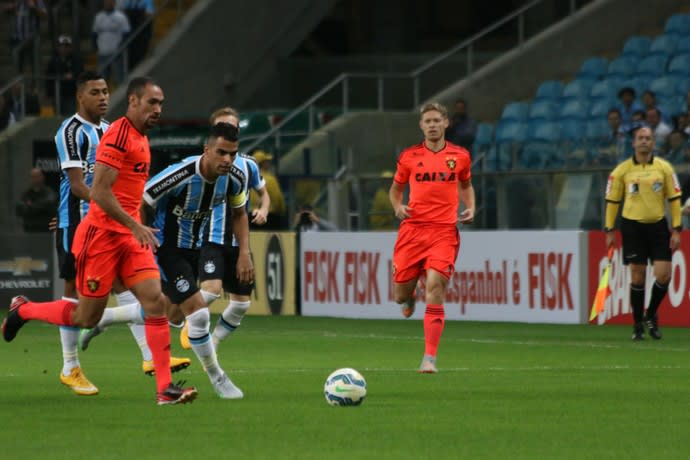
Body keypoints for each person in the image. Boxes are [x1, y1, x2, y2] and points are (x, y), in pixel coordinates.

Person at [2, 76, 198, 405]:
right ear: (133, 102)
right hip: (101, 237)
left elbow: (131, 192)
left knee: (156, 302)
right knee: (85, 317)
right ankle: (25, 310)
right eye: (152, 102)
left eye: (161, 103)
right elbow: (101, 194)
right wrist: (133, 225)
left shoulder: (139, 136)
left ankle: (165, 389)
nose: (158, 110)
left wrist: (138, 226)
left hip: (129, 237)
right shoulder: (118, 137)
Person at [81, 122, 253, 399]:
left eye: (232, 154)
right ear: (206, 149)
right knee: (197, 312)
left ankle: (104, 318)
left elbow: (240, 213)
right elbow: (142, 202)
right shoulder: (181, 174)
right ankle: (218, 378)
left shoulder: (234, 177)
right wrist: (141, 240)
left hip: (196, 249)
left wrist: (244, 252)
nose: (227, 160)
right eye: (221, 152)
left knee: (170, 313)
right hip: (166, 249)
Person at [53, 71, 189, 395]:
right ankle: (70, 364)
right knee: (77, 297)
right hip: (79, 219)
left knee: (144, 292)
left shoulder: (112, 129)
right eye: (95, 92)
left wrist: (129, 216)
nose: (102, 97)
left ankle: (152, 363)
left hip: (114, 222)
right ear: (80, 97)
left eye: (105, 91)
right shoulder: (70, 131)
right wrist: (123, 215)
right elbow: (79, 185)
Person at [389, 102, 474, 373]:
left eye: (437, 120)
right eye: (428, 121)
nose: (433, 125)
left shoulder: (460, 156)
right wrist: (397, 206)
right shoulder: (408, 157)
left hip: (444, 231)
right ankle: (409, 297)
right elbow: (395, 189)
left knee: (436, 286)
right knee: (400, 295)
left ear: (446, 123)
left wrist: (470, 205)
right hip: (412, 231)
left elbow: (466, 184)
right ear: (421, 126)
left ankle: (429, 358)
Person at [191, 107, 269, 351]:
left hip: (239, 243)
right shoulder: (203, 165)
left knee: (241, 305)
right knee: (212, 290)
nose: (229, 130)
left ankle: (211, 345)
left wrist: (263, 210)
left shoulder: (249, 165)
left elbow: (263, 194)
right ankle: (187, 320)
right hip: (211, 238)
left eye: (233, 127)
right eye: (223, 126)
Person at [604, 126, 682, 341]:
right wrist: (609, 229)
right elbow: (612, 201)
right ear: (633, 143)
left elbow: (674, 199)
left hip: (658, 226)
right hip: (632, 227)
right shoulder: (622, 170)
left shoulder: (664, 168)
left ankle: (650, 315)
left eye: (648, 138)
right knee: (637, 277)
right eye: (641, 138)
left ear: (654, 143)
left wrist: (676, 228)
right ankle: (637, 324)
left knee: (664, 274)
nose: (644, 141)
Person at [92, 0, 130, 85]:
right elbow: (94, 34)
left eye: (110, 1)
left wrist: (120, 48)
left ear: (114, 3)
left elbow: (126, 33)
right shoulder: (99, 17)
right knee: (102, 81)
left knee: (119, 80)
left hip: (116, 53)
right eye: (106, 1)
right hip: (102, 53)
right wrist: (96, 48)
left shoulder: (120, 16)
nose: (108, 3)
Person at [3, 0, 46, 74]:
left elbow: (44, 15)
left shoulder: (37, 1)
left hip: (31, 39)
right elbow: (4, 10)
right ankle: (18, 83)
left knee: (34, 64)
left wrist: (33, 7)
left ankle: (34, 83)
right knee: (17, 64)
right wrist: (8, 8)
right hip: (17, 38)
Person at [45, 34, 84, 116]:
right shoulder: (53, 61)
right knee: (57, 116)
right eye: (62, 46)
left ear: (70, 47)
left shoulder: (75, 59)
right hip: (56, 93)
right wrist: (49, 94)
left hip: (70, 93)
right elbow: (48, 78)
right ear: (58, 47)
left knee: (69, 116)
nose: (64, 48)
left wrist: (73, 75)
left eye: (66, 46)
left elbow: (80, 72)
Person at [250, 150, 286, 229]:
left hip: (251, 215)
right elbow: (278, 199)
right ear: (262, 163)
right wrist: (282, 211)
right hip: (269, 216)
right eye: (266, 161)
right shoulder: (270, 179)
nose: (269, 163)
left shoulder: (248, 178)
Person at [15, 167, 56, 232]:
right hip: (29, 229)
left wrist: (30, 206)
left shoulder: (49, 192)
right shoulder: (26, 194)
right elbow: (20, 209)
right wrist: (39, 206)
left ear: (42, 177)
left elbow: (48, 204)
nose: (35, 179)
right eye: (33, 176)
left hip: (46, 229)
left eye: (37, 176)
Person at [117, 0, 154, 69]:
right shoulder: (127, 2)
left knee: (140, 53)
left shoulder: (147, 1)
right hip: (129, 29)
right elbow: (121, 13)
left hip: (141, 30)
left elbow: (149, 14)